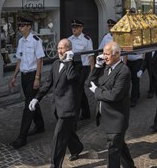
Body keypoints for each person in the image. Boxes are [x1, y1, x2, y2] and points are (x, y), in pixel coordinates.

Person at [28, 39, 84, 167]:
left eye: (62, 48)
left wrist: (69, 61)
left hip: (68, 107)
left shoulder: (77, 65)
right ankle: (77, 148)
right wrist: (37, 98)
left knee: (58, 136)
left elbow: (71, 77)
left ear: (69, 49)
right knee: (67, 132)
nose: (59, 51)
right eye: (58, 48)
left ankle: (54, 165)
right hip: (57, 106)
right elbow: (48, 83)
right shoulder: (55, 64)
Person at [87, 41, 135, 168]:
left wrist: (97, 91)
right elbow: (89, 82)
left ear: (117, 54)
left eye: (107, 54)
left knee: (113, 152)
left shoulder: (123, 71)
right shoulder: (105, 67)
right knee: (120, 147)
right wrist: (97, 66)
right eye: (103, 53)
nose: (104, 57)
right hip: (107, 116)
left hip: (116, 118)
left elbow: (114, 95)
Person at [9, 17, 45, 149]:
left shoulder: (36, 40)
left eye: (23, 25)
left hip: (32, 75)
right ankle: (40, 125)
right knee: (32, 100)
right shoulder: (21, 41)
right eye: (19, 25)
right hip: (24, 76)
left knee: (28, 106)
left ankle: (21, 138)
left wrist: (37, 78)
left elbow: (40, 59)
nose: (20, 28)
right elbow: (19, 60)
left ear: (29, 26)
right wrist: (14, 76)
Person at [68, 19, 94, 120]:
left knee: (77, 91)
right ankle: (86, 113)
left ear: (81, 28)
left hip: (83, 68)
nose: (74, 29)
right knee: (79, 91)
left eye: (76, 27)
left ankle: (75, 115)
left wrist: (92, 73)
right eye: (73, 27)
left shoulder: (86, 40)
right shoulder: (69, 40)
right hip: (73, 67)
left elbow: (91, 57)